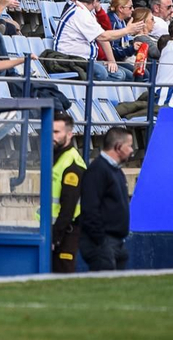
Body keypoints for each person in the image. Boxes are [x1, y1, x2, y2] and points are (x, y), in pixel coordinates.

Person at [78, 126, 133, 271]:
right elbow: (90, 209)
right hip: (102, 243)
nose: (132, 150)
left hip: (117, 243)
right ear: (119, 147)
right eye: (130, 146)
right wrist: (101, 242)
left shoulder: (116, 171)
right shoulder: (98, 170)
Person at [49, 112, 86, 273]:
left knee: (62, 279)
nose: (52, 136)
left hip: (65, 234)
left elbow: (68, 208)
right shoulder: (55, 157)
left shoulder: (71, 164)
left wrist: (54, 239)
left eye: (56, 132)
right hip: (52, 230)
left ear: (69, 134)